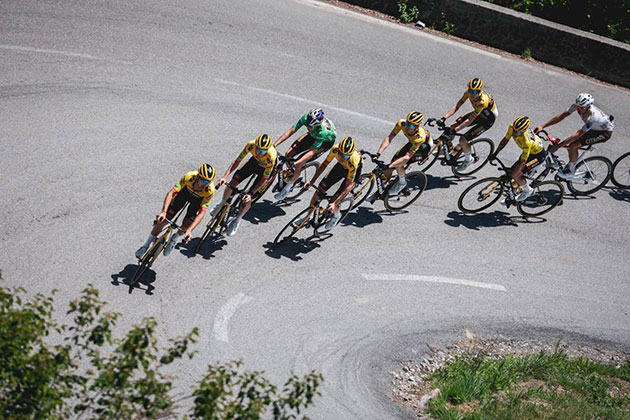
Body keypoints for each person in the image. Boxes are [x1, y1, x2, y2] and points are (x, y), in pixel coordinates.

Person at [135, 163, 216, 258]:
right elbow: (171, 193)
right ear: (198, 177)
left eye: (208, 182)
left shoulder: (209, 190)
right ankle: (145, 246)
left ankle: (174, 239)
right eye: (203, 181)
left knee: (186, 224)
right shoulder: (189, 177)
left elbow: (202, 212)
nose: (205, 184)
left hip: (197, 200)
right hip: (184, 193)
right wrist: (164, 212)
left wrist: (189, 230)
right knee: (163, 220)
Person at [534, 93, 614, 179]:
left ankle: (571, 171)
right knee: (570, 143)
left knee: (573, 146)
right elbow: (562, 116)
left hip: (604, 133)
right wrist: (543, 126)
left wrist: (558, 146)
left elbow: (578, 134)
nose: (579, 109)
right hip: (594, 128)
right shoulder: (578, 106)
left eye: (581, 108)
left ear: (588, 106)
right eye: (577, 106)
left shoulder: (593, 117)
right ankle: (571, 162)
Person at [212, 134, 277, 236]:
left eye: (263, 151)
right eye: (258, 149)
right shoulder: (251, 145)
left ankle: (237, 220)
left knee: (248, 199)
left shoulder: (271, 157)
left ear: (267, 150)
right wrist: (225, 177)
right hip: (254, 163)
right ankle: (222, 203)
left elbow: (264, 178)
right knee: (232, 184)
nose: (259, 153)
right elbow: (237, 161)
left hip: (265, 170)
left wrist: (251, 194)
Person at [299, 136, 361, 232]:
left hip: (351, 171)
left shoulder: (353, 161)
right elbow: (324, 164)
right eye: (340, 154)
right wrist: (312, 181)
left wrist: (334, 203)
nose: (341, 157)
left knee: (335, 200)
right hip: (340, 167)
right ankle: (307, 216)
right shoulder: (335, 149)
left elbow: (348, 185)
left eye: (345, 156)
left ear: (350, 155)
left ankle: (336, 216)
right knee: (319, 190)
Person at [273, 108, 337, 200]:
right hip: (312, 136)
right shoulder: (306, 118)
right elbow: (291, 131)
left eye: (310, 126)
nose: (308, 127)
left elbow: (312, 152)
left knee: (300, 162)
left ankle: (287, 188)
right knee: (288, 154)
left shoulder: (322, 131)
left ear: (317, 124)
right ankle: (291, 174)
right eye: (307, 125)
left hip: (324, 142)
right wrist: (274, 145)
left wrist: (298, 163)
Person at [439, 77, 498, 171]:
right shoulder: (469, 92)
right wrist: (444, 117)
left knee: (462, 139)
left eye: (474, 92)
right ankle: (450, 148)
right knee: (452, 126)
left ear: (479, 92)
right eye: (470, 90)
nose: (471, 94)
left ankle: (468, 159)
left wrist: (455, 131)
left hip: (487, 120)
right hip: (478, 114)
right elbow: (458, 105)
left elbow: (469, 120)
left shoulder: (482, 101)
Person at [373, 111, 432, 196]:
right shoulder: (402, 123)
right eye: (407, 122)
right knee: (392, 164)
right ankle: (383, 188)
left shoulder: (420, 137)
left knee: (398, 164)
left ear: (416, 127)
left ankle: (402, 183)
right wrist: (378, 153)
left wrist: (390, 166)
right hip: (412, 143)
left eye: (411, 125)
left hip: (423, 148)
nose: (407, 126)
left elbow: (407, 157)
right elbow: (389, 138)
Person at [491, 116, 546, 201]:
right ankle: (516, 190)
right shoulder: (512, 127)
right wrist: (495, 153)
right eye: (514, 130)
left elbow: (523, 162)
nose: (515, 133)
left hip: (537, 156)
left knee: (516, 175)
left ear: (523, 132)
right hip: (529, 153)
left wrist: (515, 174)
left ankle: (528, 191)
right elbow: (505, 140)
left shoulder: (527, 142)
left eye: (518, 133)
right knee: (511, 174)